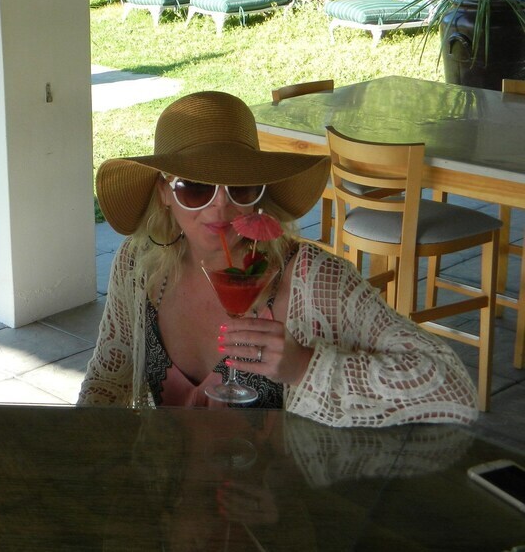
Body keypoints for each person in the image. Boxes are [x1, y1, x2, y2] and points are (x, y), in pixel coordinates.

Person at [78, 90, 478, 426]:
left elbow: (454, 388)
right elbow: (106, 381)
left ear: (261, 191)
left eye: (240, 186)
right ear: (165, 193)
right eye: (195, 187)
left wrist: (304, 366)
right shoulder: (139, 265)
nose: (221, 207)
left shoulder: (314, 281)